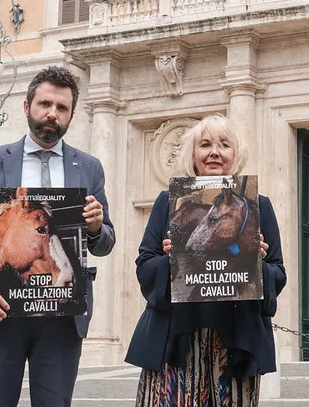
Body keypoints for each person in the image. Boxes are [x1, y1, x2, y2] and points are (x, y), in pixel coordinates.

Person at [0, 65, 116, 407]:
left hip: (61, 316)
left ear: (71, 115)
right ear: (27, 107)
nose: (52, 114)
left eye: (62, 108)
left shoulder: (88, 167)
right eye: (44, 104)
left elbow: (104, 244)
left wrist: (97, 226)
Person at [125, 114, 286, 406]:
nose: (215, 152)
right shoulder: (167, 202)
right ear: (193, 155)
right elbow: (145, 268)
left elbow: (278, 273)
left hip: (237, 343)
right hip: (175, 341)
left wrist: (257, 260)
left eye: (224, 144)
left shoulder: (259, 205)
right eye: (205, 145)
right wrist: (169, 258)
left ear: (235, 155)